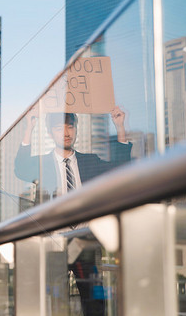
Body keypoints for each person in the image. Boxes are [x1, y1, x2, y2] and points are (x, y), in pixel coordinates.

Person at [14, 106, 132, 316]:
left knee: (95, 303)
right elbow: (21, 168)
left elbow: (120, 168)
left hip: (84, 241)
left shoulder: (90, 161)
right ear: (50, 133)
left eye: (70, 126)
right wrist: (29, 128)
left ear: (76, 130)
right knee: (54, 302)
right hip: (53, 240)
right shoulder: (42, 164)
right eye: (59, 128)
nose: (66, 132)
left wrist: (120, 127)